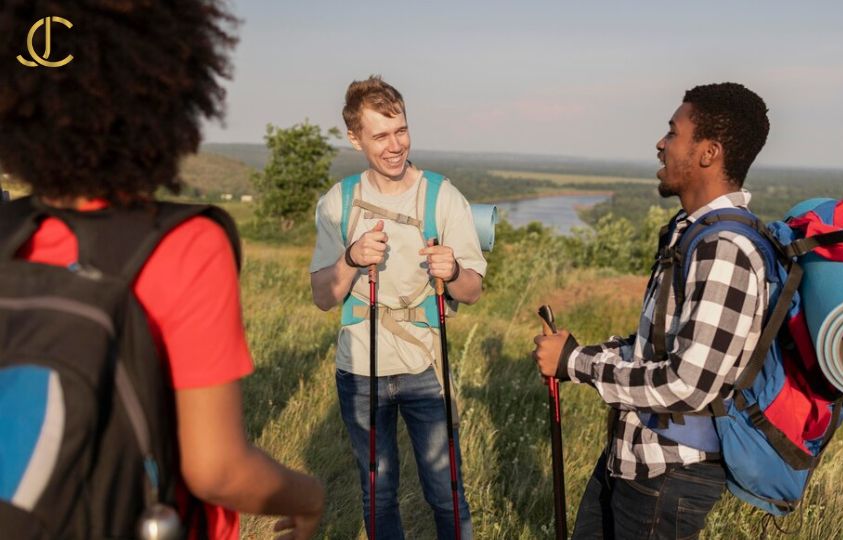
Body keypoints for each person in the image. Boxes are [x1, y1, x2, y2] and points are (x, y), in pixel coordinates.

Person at [0, 2, 324, 539]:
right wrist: (308, 496)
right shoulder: (186, 244)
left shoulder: (9, 230)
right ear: (164, 91)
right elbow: (217, 469)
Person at [533, 82, 771, 539]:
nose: (661, 144)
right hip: (636, 457)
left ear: (709, 152)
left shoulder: (726, 249)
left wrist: (576, 363)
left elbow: (688, 384)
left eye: (673, 132)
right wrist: (579, 354)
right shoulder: (693, 233)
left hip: (669, 474)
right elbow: (655, 348)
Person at [310, 76, 486, 539]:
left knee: (446, 492)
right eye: (381, 135)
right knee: (378, 494)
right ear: (355, 138)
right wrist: (351, 258)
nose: (396, 146)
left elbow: (471, 291)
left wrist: (452, 273)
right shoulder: (338, 202)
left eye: (401, 131)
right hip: (359, 368)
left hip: (425, 365)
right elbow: (323, 297)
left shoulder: (441, 195)